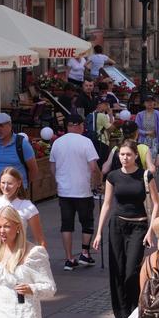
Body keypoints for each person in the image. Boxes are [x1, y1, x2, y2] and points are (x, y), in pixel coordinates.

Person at [92, 139, 159, 318]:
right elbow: (106, 204)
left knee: (132, 270)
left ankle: (135, 310)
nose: (124, 158)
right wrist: (98, 233)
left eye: (128, 154)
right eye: (122, 154)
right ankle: (122, 317)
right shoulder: (113, 176)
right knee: (118, 270)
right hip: (117, 225)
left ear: (135, 156)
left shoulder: (145, 175)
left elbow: (156, 203)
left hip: (139, 227)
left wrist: (150, 231)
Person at [0, 167, 47, 279]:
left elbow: (40, 240)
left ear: (19, 183)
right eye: (3, 183)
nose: (6, 187)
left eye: (10, 183)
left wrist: (42, 263)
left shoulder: (28, 207)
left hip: (18, 256)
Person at [49, 114, 101, 271]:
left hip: (64, 190)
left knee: (67, 224)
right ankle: (85, 253)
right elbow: (93, 167)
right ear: (79, 125)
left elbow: (52, 167)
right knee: (87, 221)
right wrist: (97, 181)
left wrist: (59, 179)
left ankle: (69, 258)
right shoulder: (86, 142)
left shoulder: (57, 143)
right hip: (82, 189)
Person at [0, 113, 38, 191]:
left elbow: (33, 169)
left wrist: (24, 187)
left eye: (1, 126)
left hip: (18, 192)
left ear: (10, 125)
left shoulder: (22, 143)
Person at [135, 94, 159, 160]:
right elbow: (136, 129)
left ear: (154, 103)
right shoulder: (139, 115)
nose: (150, 103)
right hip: (143, 141)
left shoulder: (158, 114)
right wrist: (146, 133)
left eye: (151, 101)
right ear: (144, 103)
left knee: (154, 160)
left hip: (155, 141)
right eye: (147, 101)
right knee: (143, 159)